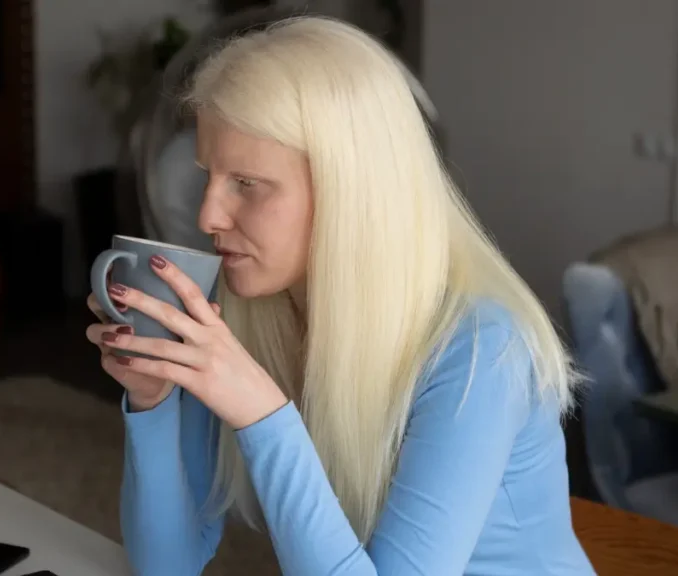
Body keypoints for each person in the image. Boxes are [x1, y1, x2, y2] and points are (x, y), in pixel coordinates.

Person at [86, 15, 595, 576]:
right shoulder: (257, 313)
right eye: (208, 176)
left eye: (246, 184)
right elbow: (166, 566)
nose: (208, 215)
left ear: (347, 190)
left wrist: (262, 414)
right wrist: (155, 400)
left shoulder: (481, 351)